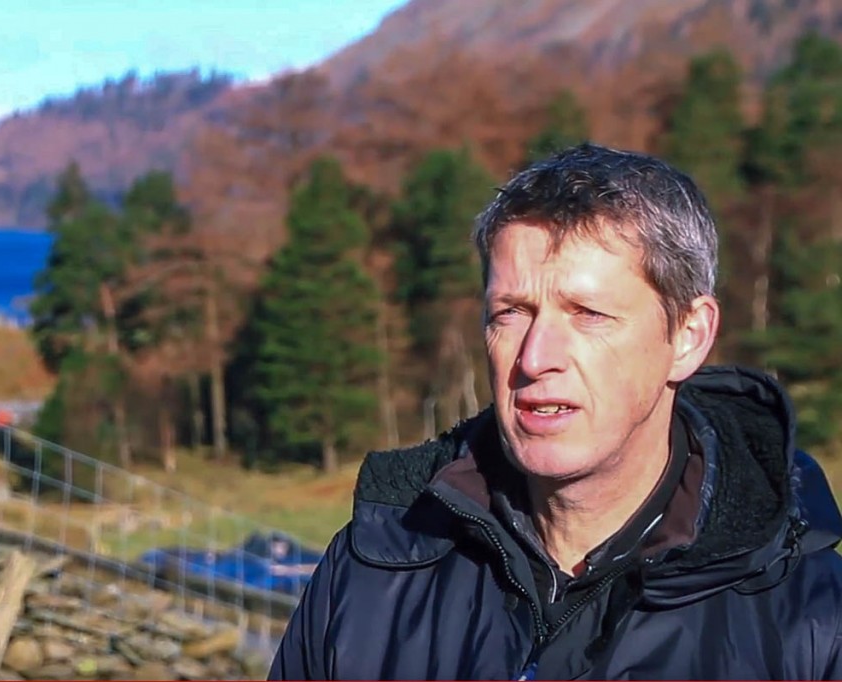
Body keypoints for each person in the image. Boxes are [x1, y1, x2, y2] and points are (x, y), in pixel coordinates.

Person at [268, 143, 842, 680]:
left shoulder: (811, 619)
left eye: (587, 314)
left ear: (689, 336)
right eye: (511, 313)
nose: (535, 358)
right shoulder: (372, 573)